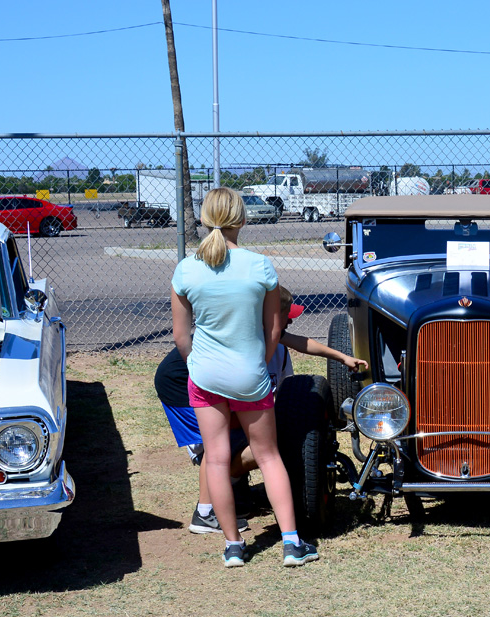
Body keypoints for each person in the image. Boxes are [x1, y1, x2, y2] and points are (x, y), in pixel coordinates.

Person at [171, 186, 315, 568]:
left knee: (216, 460)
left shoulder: (186, 269)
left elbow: (181, 336)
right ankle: (291, 544)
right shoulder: (260, 266)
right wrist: (259, 363)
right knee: (268, 456)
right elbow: (273, 330)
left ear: (203, 220)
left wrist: (197, 365)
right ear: (242, 219)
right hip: (249, 375)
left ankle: (233, 545)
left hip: (205, 377)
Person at [155, 286, 367, 535]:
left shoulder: (265, 332)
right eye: (287, 315)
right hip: (180, 383)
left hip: (209, 381)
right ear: (268, 314)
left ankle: (234, 488)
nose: (290, 320)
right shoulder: (245, 332)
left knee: (250, 434)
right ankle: (205, 512)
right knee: (216, 444)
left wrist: (342, 358)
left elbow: (301, 342)